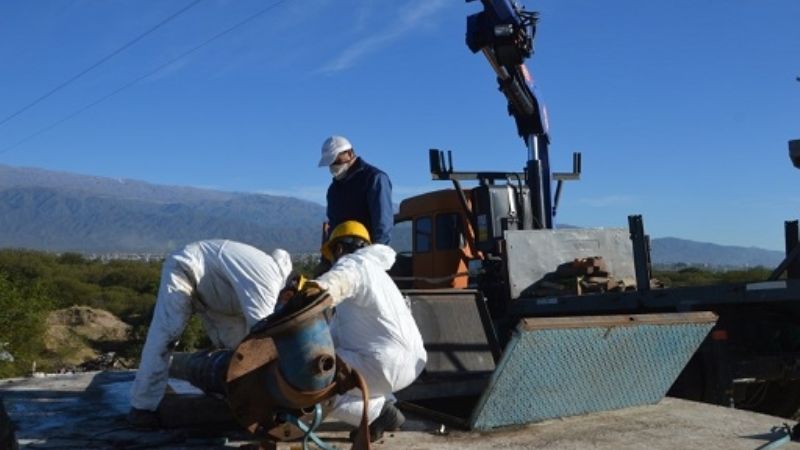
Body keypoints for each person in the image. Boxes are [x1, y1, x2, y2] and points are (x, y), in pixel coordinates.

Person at [128, 239, 292, 428]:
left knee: (237, 349)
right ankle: (142, 407)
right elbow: (262, 331)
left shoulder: (261, 272)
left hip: (215, 293)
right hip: (186, 268)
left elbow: (250, 340)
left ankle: (234, 396)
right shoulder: (267, 276)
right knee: (166, 335)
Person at [308, 220, 427, 442]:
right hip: (411, 366)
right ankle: (385, 405)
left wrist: (306, 291)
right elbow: (333, 337)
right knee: (334, 361)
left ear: (339, 249)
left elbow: (332, 285)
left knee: (313, 374)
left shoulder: (353, 264)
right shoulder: (379, 276)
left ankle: (378, 414)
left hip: (381, 363)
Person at [318, 135, 394, 246]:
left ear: (349, 153)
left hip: (366, 253)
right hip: (341, 253)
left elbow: (382, 223)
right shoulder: (334, 189)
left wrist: (377, 253)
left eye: (336, 159)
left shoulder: (374, 179)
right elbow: (333, 224)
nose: (332, 165)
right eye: (330, 162)